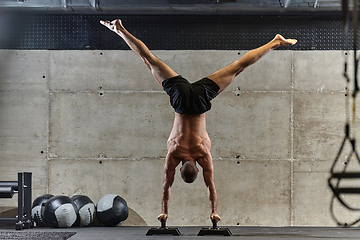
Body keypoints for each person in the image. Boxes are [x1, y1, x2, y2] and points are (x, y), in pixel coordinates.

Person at [100, 19, 297, 224]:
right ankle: (120, 29)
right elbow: (167, 186)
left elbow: (209, 187)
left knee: (238, 67)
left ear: (196, 167)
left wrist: (213, 211)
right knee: (148, 59)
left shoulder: (203, 155)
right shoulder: (174, 153)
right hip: (181, 100)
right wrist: (164, 211)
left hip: (201, 100)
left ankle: (275, 42)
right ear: (180, 167)